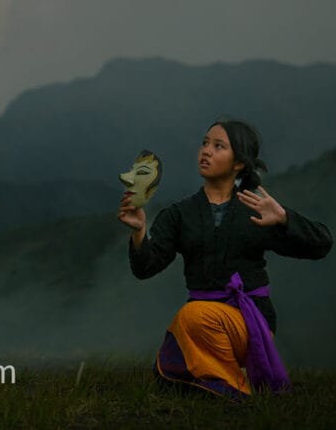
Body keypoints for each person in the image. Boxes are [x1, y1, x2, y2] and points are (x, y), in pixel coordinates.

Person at [117, 120, 332, 399]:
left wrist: (284, 218)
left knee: (190, 318)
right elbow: (146, 267)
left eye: (218, 146)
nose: (205, 151)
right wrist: (139, 232)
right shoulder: (179, 214)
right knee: (180, 344)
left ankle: (236, 388)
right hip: (204, 325)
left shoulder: (255, 210)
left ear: (238, 163)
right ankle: (223, 379)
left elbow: (322, 244)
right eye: (205, 143)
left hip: (251, 323)